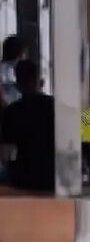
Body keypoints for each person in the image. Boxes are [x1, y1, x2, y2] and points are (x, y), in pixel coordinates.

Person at [1, 60, 53, 192]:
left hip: (22, 176)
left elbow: (6, 151)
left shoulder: (12, 112)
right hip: (51, 173)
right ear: (39, 80)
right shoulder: (53, 106)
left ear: (18, 84)